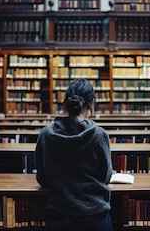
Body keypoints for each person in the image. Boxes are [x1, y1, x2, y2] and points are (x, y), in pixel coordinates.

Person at [35, 78, 113, 231]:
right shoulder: (99, 135)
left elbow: (42, 178)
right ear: (92, 102)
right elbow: (106, 176)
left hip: (59, 216)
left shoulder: (45, 135)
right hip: (95, 216)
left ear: (65, 103)